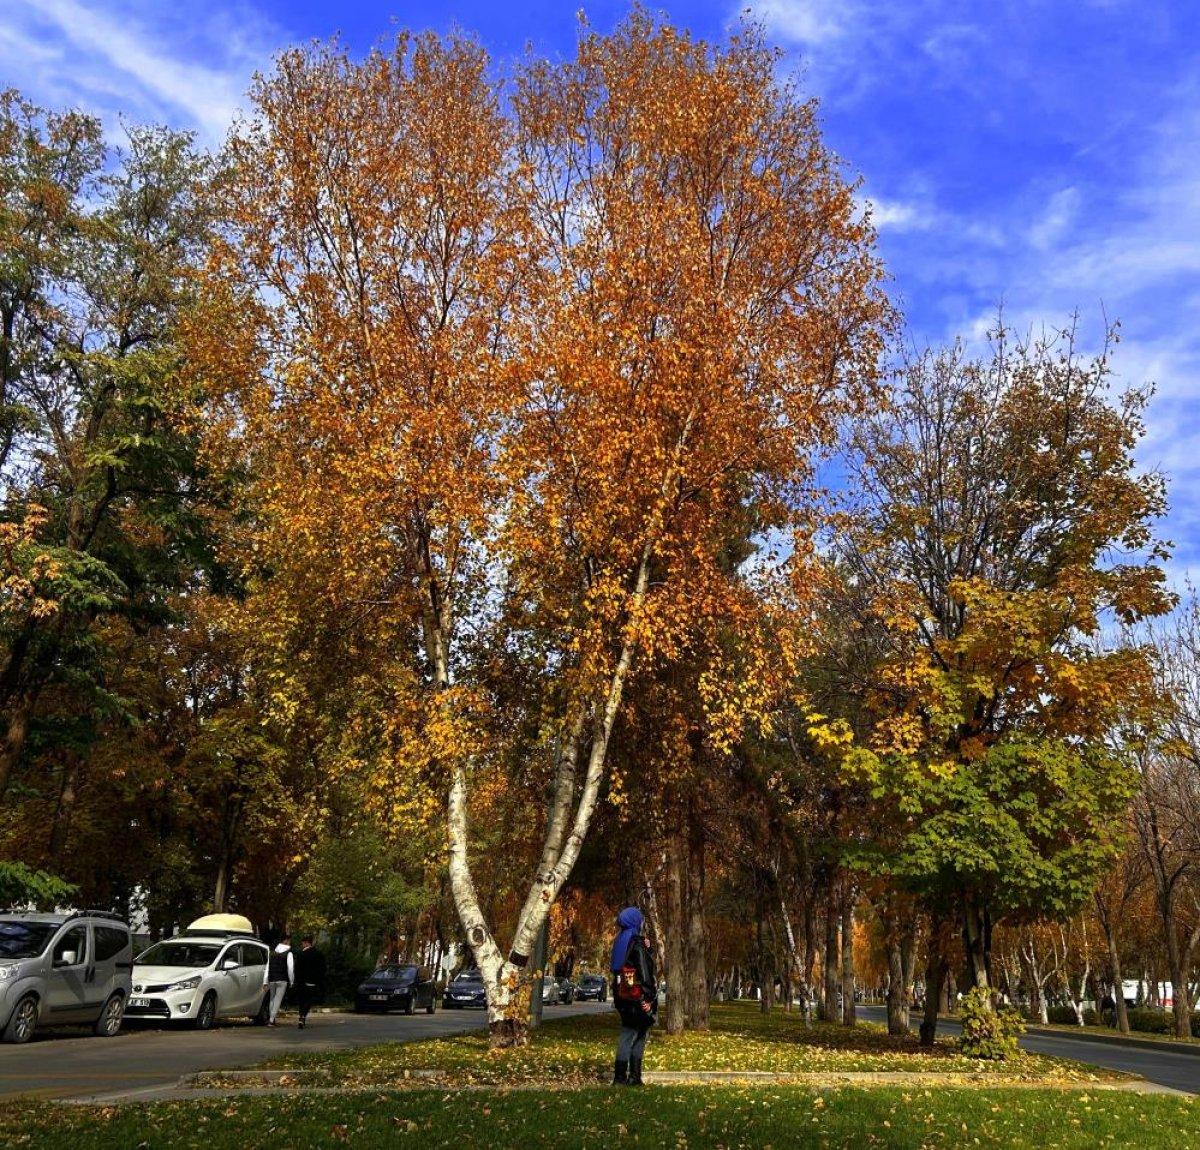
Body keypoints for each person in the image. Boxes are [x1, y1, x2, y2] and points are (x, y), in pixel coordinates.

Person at [610, 906, 657, 1087]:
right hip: (637, 996)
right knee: (634, 1033)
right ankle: (626, 1077)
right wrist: (648, 998)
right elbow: (644, 972)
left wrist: (649, 949)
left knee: (633, 1031)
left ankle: (629, 1076)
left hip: (622, 995)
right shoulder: (636, 942)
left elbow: (621, 967)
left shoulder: (620, 941)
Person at [294, 935, 326, 1029]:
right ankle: (303, 1016)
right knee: (309, 1000)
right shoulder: (318, 954)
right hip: (313, 981)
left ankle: (301, 1016)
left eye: (303, 943)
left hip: (302, 981)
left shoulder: (301, 954)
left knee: (302, 1000)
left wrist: (297, 980)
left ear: (306, 943)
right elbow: (322, 968)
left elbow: (297, 969)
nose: (302, 945)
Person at [267, 933, 294, 1026]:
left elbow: (267, 967)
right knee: (278, 1000)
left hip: (272, 978)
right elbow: (290, 968)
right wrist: (291, 981)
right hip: (282, 979)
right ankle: (271, 1020)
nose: (290, 943)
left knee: (272, 999)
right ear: (286, 941)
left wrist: (265, 981)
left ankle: (271, 1019)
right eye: (289, 941)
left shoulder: (272, 953)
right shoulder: (289, 953)